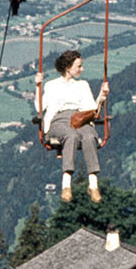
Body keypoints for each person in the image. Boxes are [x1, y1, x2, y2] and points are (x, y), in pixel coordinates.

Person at [35, 49, 109, 203]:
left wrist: (102, 96)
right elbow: (39, 108)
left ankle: (93, 185)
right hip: (59, 120)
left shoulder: (82, 85)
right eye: (79, 66)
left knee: (89, 136)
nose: (82, 69)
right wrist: (37, 86)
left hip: (79, 118)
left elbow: (92, 110)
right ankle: (66, 185)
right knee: (71, 135)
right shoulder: (51, 85)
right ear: (68, 67)